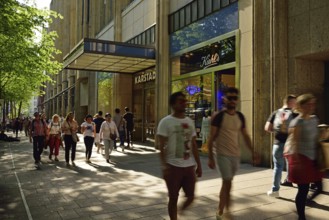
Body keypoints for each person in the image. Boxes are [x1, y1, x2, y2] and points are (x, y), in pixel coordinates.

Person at [207, 87, 259, 219]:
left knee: (228, 183)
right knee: (227, 182)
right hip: (222, 154)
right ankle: (221, 211)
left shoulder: (240, 116)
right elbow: (211, 137)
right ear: (224, 99)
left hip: (235, 155)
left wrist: (253, 152)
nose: (232, 101)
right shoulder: (219, 116)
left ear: (237, 100)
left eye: (234, 98)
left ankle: (226, 210)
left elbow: (245, 135)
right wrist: (210, 158)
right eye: (229, 98)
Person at [157, 91, 202, 220]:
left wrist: (199, 165)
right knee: (173, 197)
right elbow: (161, 146)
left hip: (189, 166)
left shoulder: (189, 121)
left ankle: (180, 211)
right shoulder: (166, 122)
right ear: (173, 104)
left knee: (191, 196)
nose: (184, 103)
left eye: (185, 100)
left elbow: (194, 145)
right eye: (180, 101)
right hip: (173, 166)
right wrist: (165, 166)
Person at [285, 94, 323, 220]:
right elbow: (294, 143)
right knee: (303, 189)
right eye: (309, 104)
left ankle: (307, 201)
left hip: (313, 158)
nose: (312, 106)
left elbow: (317, 138)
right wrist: (297, 163)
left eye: (313, 104)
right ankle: (301, 217)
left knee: (320, 186)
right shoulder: (297, 122)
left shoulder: (314, 119)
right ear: (301, 106)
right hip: (301, 158)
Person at [265, 95, 297, 197]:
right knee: (290, 163)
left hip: (278, 143)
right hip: (290, 144)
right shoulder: (295, 114)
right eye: (295, 102)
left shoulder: (276, 113)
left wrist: (278, 130)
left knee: (278, 166)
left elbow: (267, 128)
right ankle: (289, 180)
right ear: (291, 103)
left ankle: (275, 190)